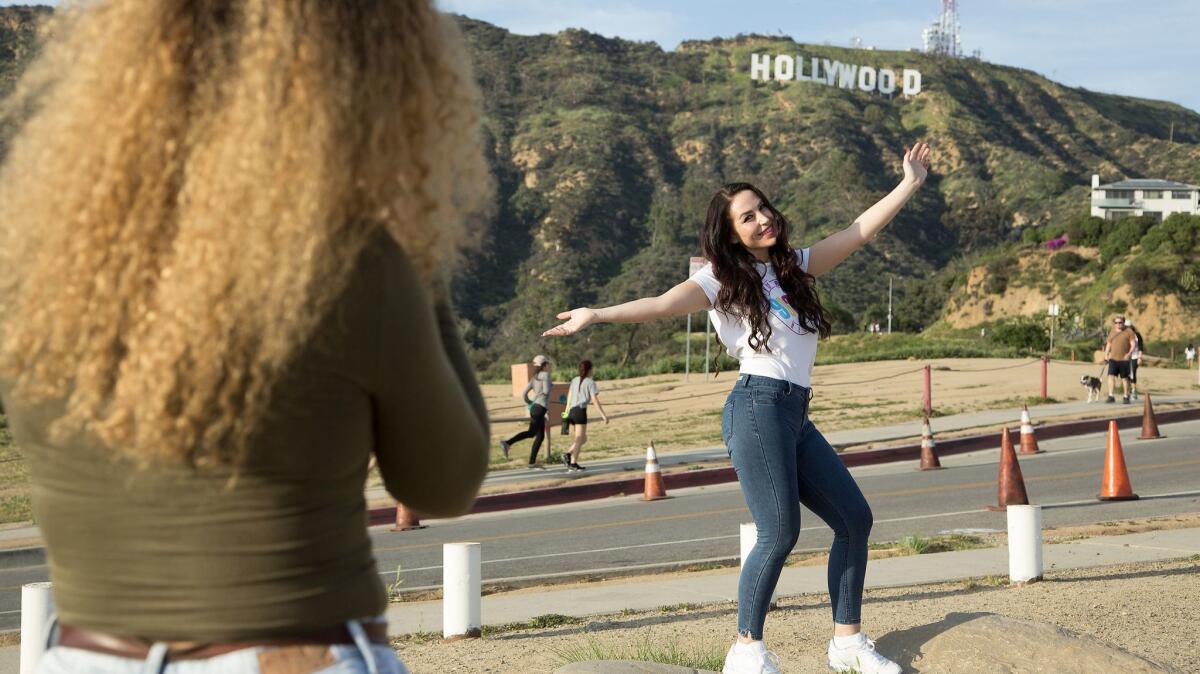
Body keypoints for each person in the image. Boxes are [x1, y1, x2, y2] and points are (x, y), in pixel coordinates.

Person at [0, 1, 491, 672]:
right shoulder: (345, 262)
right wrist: (415, 248)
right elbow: (444, 485)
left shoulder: (35, 256)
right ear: (370, 68)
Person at [545, 143, 933, 674]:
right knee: (780, 530)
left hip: (794, 411)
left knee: (854, 519)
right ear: (730, 234)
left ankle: (847, 643)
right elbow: (661, 304)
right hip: (756, 406)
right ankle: (745, 649)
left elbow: (858, 231)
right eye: (747, 217)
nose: (762, 220)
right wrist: (596, 313)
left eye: (764, 208)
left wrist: (909, 184)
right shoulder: (720, 281)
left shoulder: (794, 267)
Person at [501, 355, 553, 467]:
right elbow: (547, 391)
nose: (549, 366)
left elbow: (524, 394)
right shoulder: (546, 375)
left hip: (535, 408)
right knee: (531, 433)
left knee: (540, 436)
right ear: (544, 365)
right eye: (548, 364)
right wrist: (545, 392)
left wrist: (530, 402)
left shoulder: (534, 377)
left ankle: (532, 462)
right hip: (540, 408)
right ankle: (507, 443)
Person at [562, 359, 609, 471]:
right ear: (589, 370)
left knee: (583, 438)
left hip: (571, 411)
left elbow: (569, 396)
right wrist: (603, 415)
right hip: (580, 412)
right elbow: (595, 400)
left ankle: (568, 454)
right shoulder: (590, 382)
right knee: (579, 439)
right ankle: (573, 463)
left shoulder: (574, 380)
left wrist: (566, 412)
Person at [1105, 315, 1135, 404]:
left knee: (1124, 378)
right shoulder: (1112, 331)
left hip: (1124, 359)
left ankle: (1126, 396)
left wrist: (1129, 354)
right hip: (1113, 358)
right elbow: (1109, 343)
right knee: (1110, 376)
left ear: (1123, 322)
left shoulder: (1129, 332)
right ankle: (1111, 395)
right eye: (1116, 323)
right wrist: (1106, 354)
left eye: (1120, 322)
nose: (1118, 324)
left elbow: (1133, 344)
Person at [1127, 321, 1145, 401]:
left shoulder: (1137, 335)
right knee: (1125, 375)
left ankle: (1134, 392)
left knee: (1132, 373)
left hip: (1135, 356)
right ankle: (1127, 391)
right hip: (1125, 357)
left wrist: (1140, 357)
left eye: (1128, 326)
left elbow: (1141, 346)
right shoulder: (1123, 334)